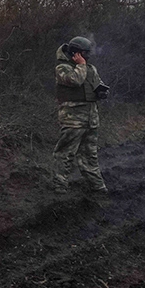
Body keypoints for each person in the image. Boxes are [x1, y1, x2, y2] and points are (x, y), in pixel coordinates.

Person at [52, 36, 111, 194]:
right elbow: (75, 80)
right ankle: (60, 185)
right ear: (75, 53)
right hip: (73, 120)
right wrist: (81, 65)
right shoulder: (62, 67)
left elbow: (96, 84)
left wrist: (101, 92)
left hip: (91, 119)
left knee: (89, 155)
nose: (88, 56)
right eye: (85, 53)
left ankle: (97, 186)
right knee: (65, 154)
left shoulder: (90, 68)